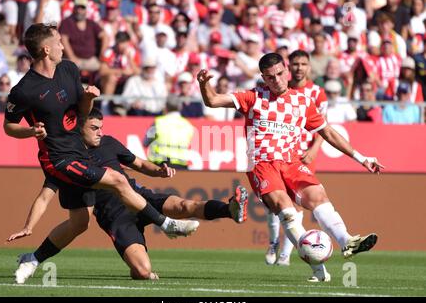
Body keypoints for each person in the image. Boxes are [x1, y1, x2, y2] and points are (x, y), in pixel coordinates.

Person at [3, 23, 199, 285]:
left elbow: (83, 112)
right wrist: (30, 132)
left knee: (79, 222)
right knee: (118, 180)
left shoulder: (68, 69)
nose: (63, 46)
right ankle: (168, 225)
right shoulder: (24, 89)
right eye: (59, 42)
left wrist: (89, 97)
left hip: (78, 153)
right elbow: (8, 126)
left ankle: (33, 259)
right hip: (58, 159)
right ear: (46, 49)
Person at [197, 53, 384, 282]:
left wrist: (361, 157)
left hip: (292, 162)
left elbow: (328, 133)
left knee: (318, 196)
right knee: (286, 211)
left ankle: (347, 242)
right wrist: (204, 84)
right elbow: (213, 101)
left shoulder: (303, 101)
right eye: (270, 77)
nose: (276, 80)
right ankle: (318, 269)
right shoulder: (253, 97)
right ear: (263, 78)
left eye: (279, 74)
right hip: (262, 164)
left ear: (286, 71)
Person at [7, 108, 248, 280]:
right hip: (115, 216)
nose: (100, 132)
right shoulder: (67, 158)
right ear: (79, 129)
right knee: (143, 272)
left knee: (185, 206)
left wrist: (160, 170)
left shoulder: (110, 143)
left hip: (140, 197)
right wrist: (29, 225)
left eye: (101, 127)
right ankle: (34, 257)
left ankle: (231, 209)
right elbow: (45, 195)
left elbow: (140, 165)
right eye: (94, 128)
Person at [265, 50, 328, 267]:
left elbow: (323, 125)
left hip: (303, 154)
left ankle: (285, 254)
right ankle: (273, 242)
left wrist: (314, 149)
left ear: (309, 67)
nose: (299, 68)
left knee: (297, 203)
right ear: (288, 68)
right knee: (277, 202)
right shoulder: (278, 89)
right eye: (295, 64)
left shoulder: (317, 93)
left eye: (304, 64)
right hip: (278, 151)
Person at [145, 94, 194, 170]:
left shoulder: (157, 122)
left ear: (166, 107)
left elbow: (145, 142)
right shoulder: (188, 125)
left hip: (159, 166)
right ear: (180, 107)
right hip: (180, 166)